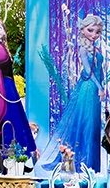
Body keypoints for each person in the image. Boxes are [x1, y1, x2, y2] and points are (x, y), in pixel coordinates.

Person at [36, 14, 106, 175]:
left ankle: (91, 165)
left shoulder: (96, 49)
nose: (94, 34)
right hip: (88, 88)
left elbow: (100, 70)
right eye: (90, 30)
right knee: (86, 123)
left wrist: (102, 86)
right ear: (82, 30)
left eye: (98, 32)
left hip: (96, 89)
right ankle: (82, 163)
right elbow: (88, 72)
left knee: (93, 125)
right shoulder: (83, 49)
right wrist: (99, 87)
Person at [0, 17, 37, 170]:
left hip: (4, 88)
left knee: (8, 120)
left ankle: (11, 158)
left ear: (4, 31)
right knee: (15, 120)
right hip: (7, 87)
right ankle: (19, 158)